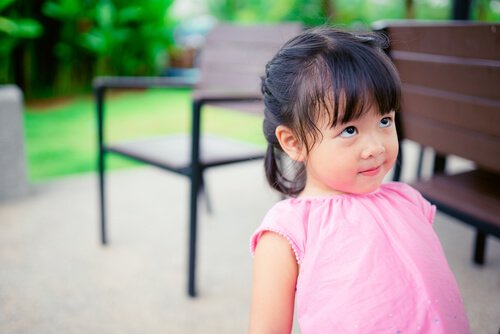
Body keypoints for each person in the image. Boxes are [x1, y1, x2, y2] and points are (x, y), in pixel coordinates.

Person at [248, 27, 471, 334]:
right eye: (350, 130)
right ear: (294, 142)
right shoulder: (287, 231)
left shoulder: (407, 200)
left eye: (385, 120)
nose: (377, 146)